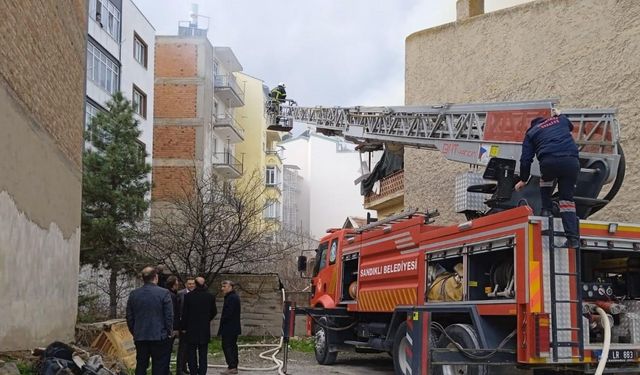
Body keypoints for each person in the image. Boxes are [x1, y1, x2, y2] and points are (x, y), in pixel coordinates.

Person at [515, 110, 580, 248]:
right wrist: (561, 114)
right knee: (567, 201)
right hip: (571, 162)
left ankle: (546, 210)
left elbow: (526, 159)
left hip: (549, 162)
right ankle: (573, 239)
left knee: (545, 180)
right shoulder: (560, 120)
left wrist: (523, 179)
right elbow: (571, 126)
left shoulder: (531, 133)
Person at [126, 266, 174, 375]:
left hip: (141, 335)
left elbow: (129, 316)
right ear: (156, 277)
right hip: (159, 335)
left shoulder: (134, 294)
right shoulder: (164, 293)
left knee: (141, 364)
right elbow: (169, 316)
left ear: (143, 279)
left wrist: (135, 331)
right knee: (160, 366)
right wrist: (169, 332)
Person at [181, 277, 217, 375]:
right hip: (204, 328)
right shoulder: (210, 296)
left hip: (191, 328)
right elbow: (214, 312)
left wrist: (184, 327)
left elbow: (185, 314)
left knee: (191, 352)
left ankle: (193, 371)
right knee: (203, 353)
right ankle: (202, 372)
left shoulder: (189, 296)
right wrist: (206, 320)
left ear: (195, 284)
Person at [218, 280, 241, 375]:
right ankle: (233, 366)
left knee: (227, 346)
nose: (222, 288)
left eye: (225, 286)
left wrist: (223, 321)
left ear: (231, 287)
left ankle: (232, 366)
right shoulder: (232, 297)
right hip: (232, 327)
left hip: (229, 327)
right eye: (222, 287)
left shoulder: (232, 298)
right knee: (231, 346)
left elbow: (228, 313)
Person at [176, 277, 196, 375]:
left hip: (192, 325)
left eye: (193, 284)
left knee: (188, 349)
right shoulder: (180, 294)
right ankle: (179, 369)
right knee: (182, 348)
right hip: (183, 325)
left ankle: (184, 367)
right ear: (186, 284)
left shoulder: (196, 294)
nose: (191, 285)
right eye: (189, 284)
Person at [165, 276, 181, 373]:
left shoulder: (168, 294)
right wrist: (175, 328)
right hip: (171, 328)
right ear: (174, 284)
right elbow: (173, 313)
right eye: (177, 282)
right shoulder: (172, 296)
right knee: (167, 350)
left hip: (168, 327)